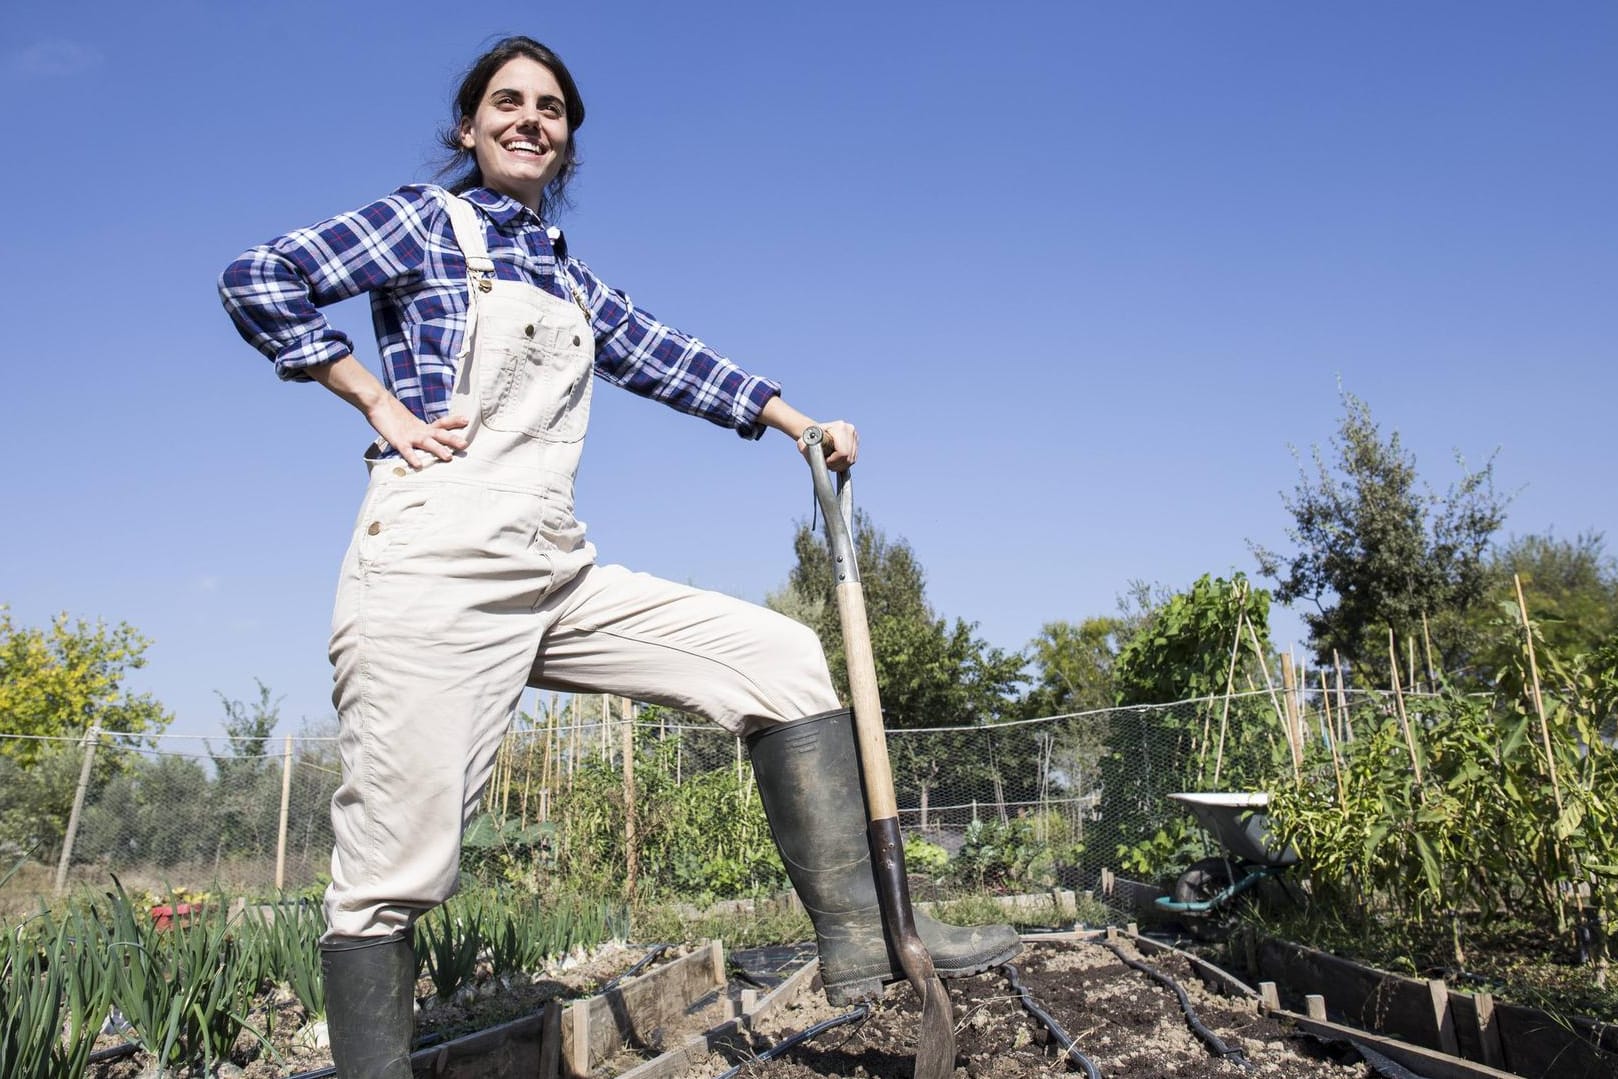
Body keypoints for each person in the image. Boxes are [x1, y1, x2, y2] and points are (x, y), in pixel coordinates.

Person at [220, 36, 1018, 1078]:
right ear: (469, 127)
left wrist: (797, 420)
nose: (529, 120)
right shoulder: (426, 219)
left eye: (550, 110)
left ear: (566, 142)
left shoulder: (566, 277)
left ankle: (866, 941)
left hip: (556, 563)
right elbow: (261, 276)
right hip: (437, 560)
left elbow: (666, 352)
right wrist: (373, 398)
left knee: (777, 658)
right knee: (398, 860)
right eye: (506, 103)